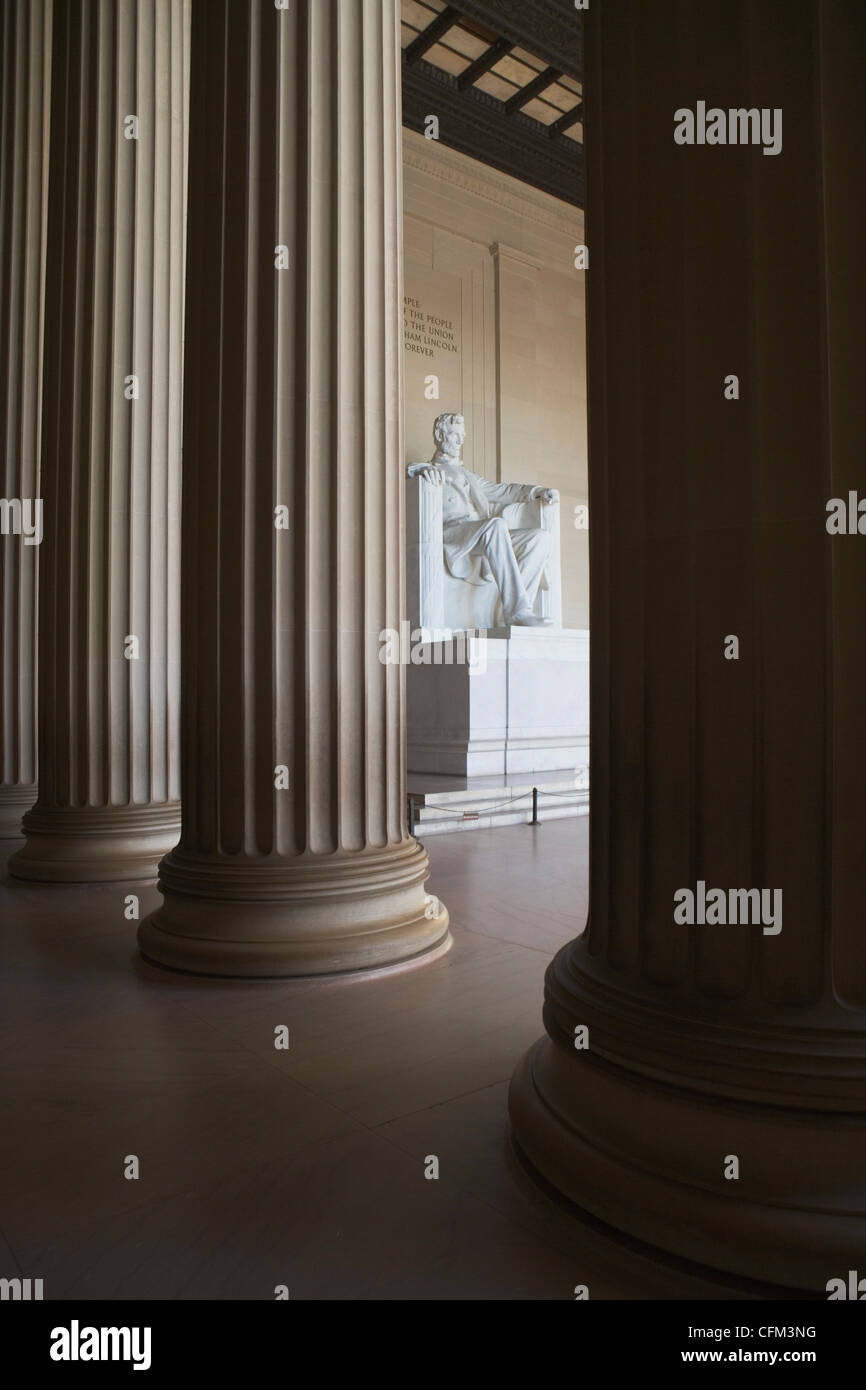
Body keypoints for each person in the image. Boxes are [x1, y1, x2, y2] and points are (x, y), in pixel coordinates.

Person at [408, 412, 557, 626]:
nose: (460, 441)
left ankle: (517, 612)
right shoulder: (428, 469)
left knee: (540, 538)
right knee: (496, 525)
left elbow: (503, 491)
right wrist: (422, 469)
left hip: (481, 534)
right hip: (452, 534)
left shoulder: (470, 476)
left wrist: (537, 492)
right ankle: (518, 611)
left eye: (463, 436)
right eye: (454, 435)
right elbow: (406, 472)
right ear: (440, 435)